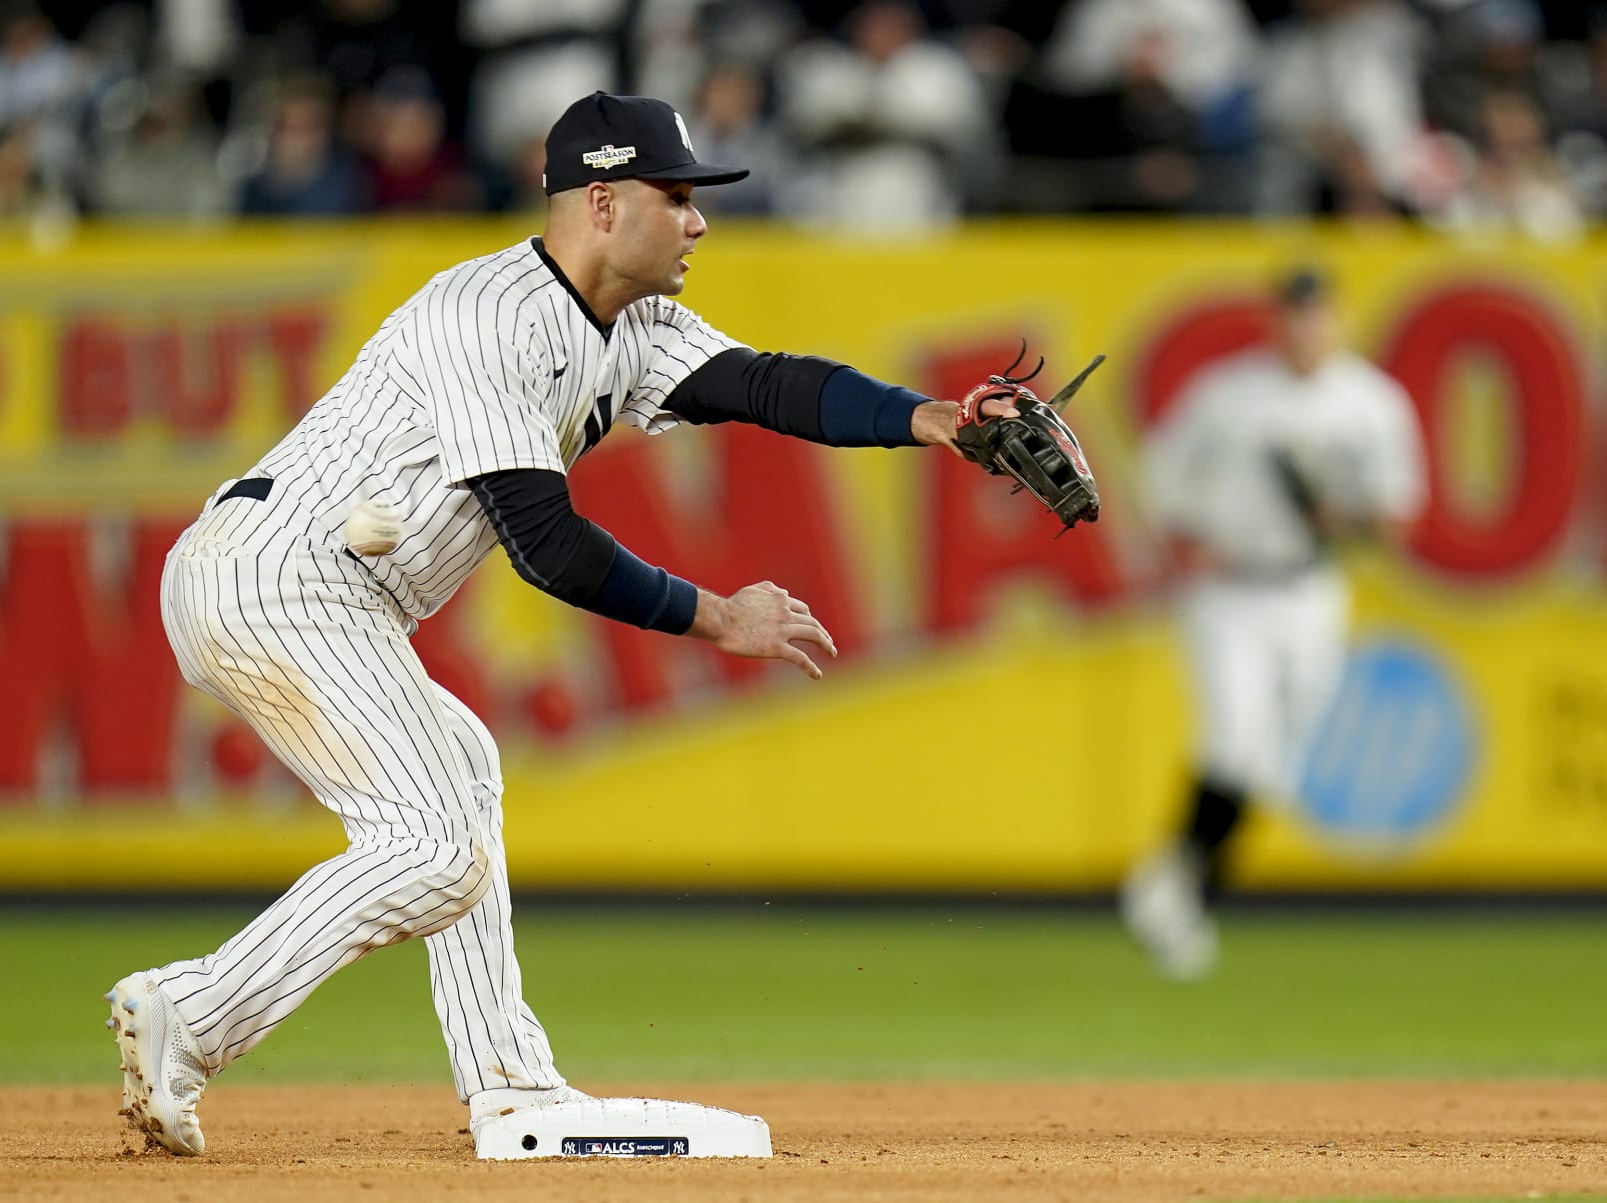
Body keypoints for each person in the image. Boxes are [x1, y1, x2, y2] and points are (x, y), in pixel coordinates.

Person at [105, 90, 1024, 1159]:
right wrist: (717, 617)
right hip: (277, 577)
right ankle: (197, 1012)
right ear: (600, 201)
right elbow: (545, 542)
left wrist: (929, 419)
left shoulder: (630, 323)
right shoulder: (490, 313)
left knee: (462, 773)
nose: (698, 220)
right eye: (674, 195)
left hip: (315, 586)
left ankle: (509, 1082)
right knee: (436, 844)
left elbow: (767, 384)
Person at [1119, 266, 1427, 980]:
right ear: (1273, 320)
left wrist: (1339, 518)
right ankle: (1184, 900)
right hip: (1229, 590)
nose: (1304, 326)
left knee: (1274, 770)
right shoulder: (1228, 395)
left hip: (1312, 588)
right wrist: (1183, 535)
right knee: (1232, 743)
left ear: (1336, 318)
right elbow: (1161, 474)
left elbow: (1398, 516)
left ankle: (1171, 880)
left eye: (1315, 313)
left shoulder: (1372, 403)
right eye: (1292, 313)